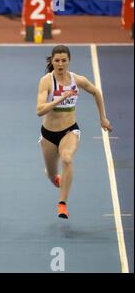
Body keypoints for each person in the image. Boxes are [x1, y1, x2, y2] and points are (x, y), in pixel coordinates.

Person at [36, 45, 112, 219]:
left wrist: (103, 118)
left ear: (69, 61)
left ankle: (62, 204)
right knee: (52, 174)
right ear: (52, 61)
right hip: (48, 134)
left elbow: (96, 92)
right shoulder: (46, 81)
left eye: (64, 60)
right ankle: (55, 178)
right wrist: (61, 98)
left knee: (67, 158)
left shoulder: (77, 80)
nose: (60, 64)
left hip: (70, 130)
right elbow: (39, 110)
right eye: (57, 60)